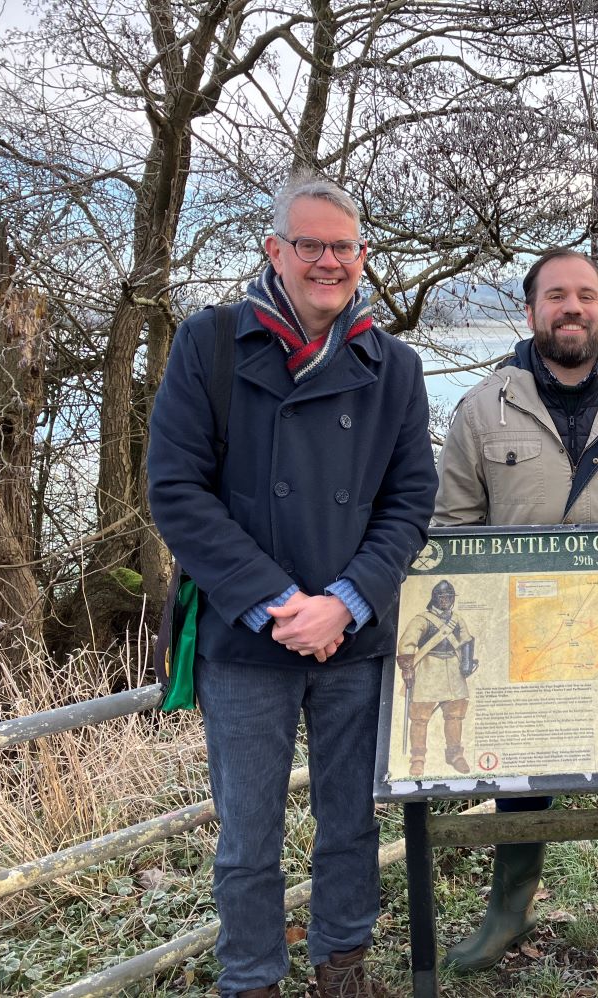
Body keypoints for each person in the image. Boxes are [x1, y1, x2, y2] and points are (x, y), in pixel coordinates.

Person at [147, 173, 436, 998]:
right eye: (309, 245)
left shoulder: (393, 365)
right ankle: (252, 980)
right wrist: (281, 606)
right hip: (248, 639)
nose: (327, 262)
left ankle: (343, 966)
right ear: (275, 250)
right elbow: (176, 490)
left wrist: (344, 602)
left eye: (342, 247)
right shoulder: (209, 344)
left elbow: (411, 501)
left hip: (353, 638)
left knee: (349, 821)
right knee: (248, 836)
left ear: (363, 256)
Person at [433, 248, 598, 974]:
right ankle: (509, 908)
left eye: (586, 294)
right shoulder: (483, 407)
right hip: (522, 631)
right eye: (556, 295)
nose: (572, 308)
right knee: (519, 778)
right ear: (531, 310)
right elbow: (453, 528)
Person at [396, 579, 477, 777]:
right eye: (442, 596)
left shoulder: (457, 620)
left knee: (455, 715)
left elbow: (466, 640)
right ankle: (418, 759)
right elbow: (407, 643)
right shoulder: (422, 620)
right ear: (434, 597)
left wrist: (467, 663)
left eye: (449, 596)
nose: (445, 600)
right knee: (420, 717)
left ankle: (455, 754)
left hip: (453, 670)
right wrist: (407, 668)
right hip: (428, 669)